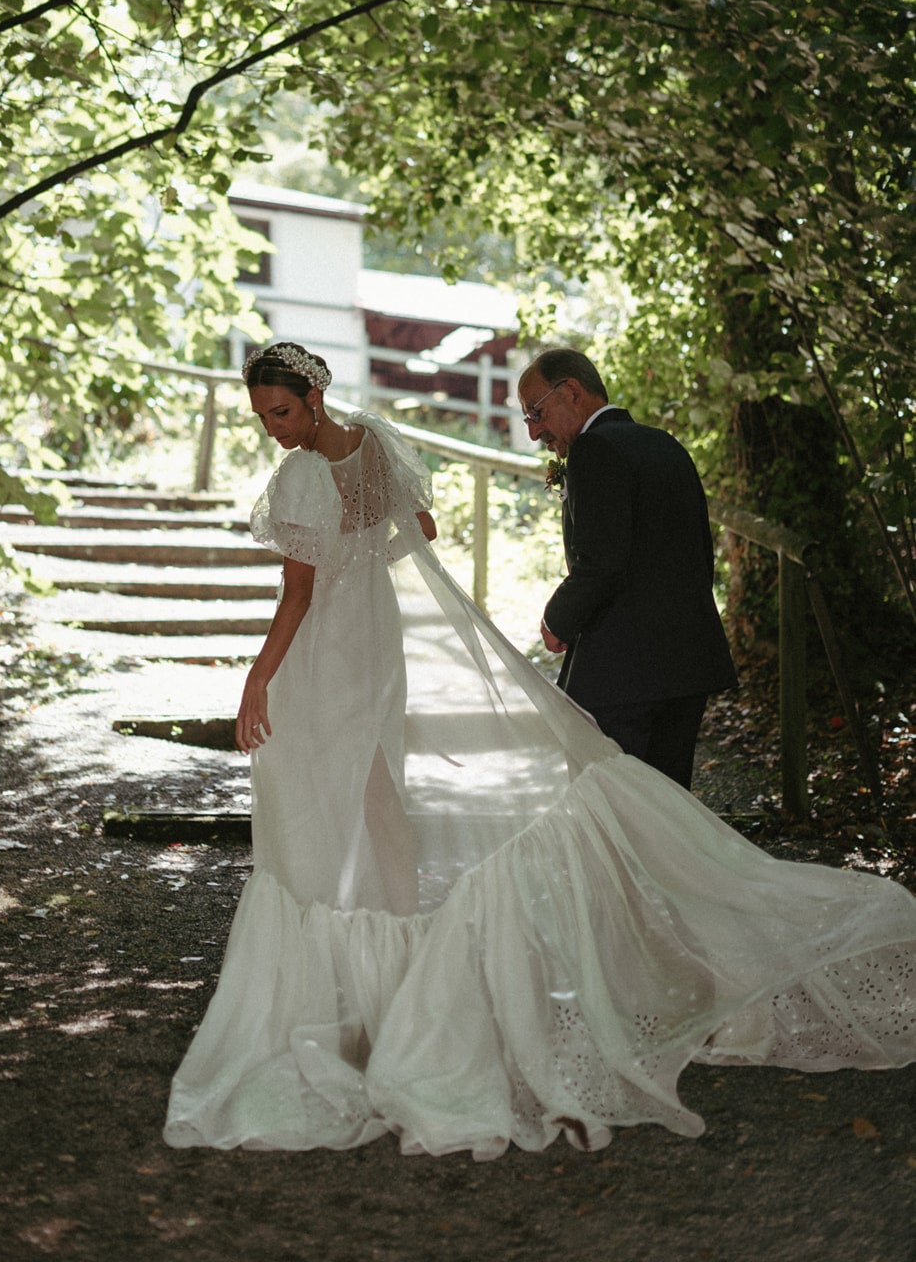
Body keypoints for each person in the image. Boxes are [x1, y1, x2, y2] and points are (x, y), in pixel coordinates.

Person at [164, 341, 916, 1160]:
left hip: (336, 661)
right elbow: (420, 529)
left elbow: (302, 590)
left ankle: (363, 1004)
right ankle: (615, 980)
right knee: (422, 807)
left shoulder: (311, 472)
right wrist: (361, 559)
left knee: (324, 818)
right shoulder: (383, 445)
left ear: (311, 397)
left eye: (279, 412)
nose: (274, 430)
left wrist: (257, 679)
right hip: (409, 655)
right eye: (263, 418)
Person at [518, 348, 737, 789]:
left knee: (612, 806)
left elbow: (600, 563)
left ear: (573, 392)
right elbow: (696, 551)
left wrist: (556, 619)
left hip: (624, 670)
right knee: (669, 808)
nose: (534, 431)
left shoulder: (594, 450)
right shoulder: (665, 444)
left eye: (536, 413)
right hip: (687, 662)